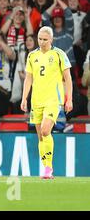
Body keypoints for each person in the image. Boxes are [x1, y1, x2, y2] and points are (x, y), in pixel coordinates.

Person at [21, 26, 73, 179]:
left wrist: (68, 99)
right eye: (40, 39)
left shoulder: (59, 54)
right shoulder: (32, 55)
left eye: (45, 39)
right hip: (36, 100)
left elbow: (68, 78)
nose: (42, 42)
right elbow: (28, 78)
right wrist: (24, 98)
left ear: (51, 40)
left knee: (45, 131)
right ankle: (46, 170)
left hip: (53, 100)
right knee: (40, 136)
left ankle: (49, 168)